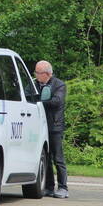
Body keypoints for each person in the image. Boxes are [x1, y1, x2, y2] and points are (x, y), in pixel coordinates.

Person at [34, 60, 68, 198]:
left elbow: (57, 101)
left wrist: (40, 102)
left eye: (38, 73)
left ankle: (63, 188)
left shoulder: (59, 85)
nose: (36, 75)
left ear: (47, 73)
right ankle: (49, 187)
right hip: (39, 126)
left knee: (58, 158)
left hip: (54, 126)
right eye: (35, 72)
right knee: (45, 157)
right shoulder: (34, 84)